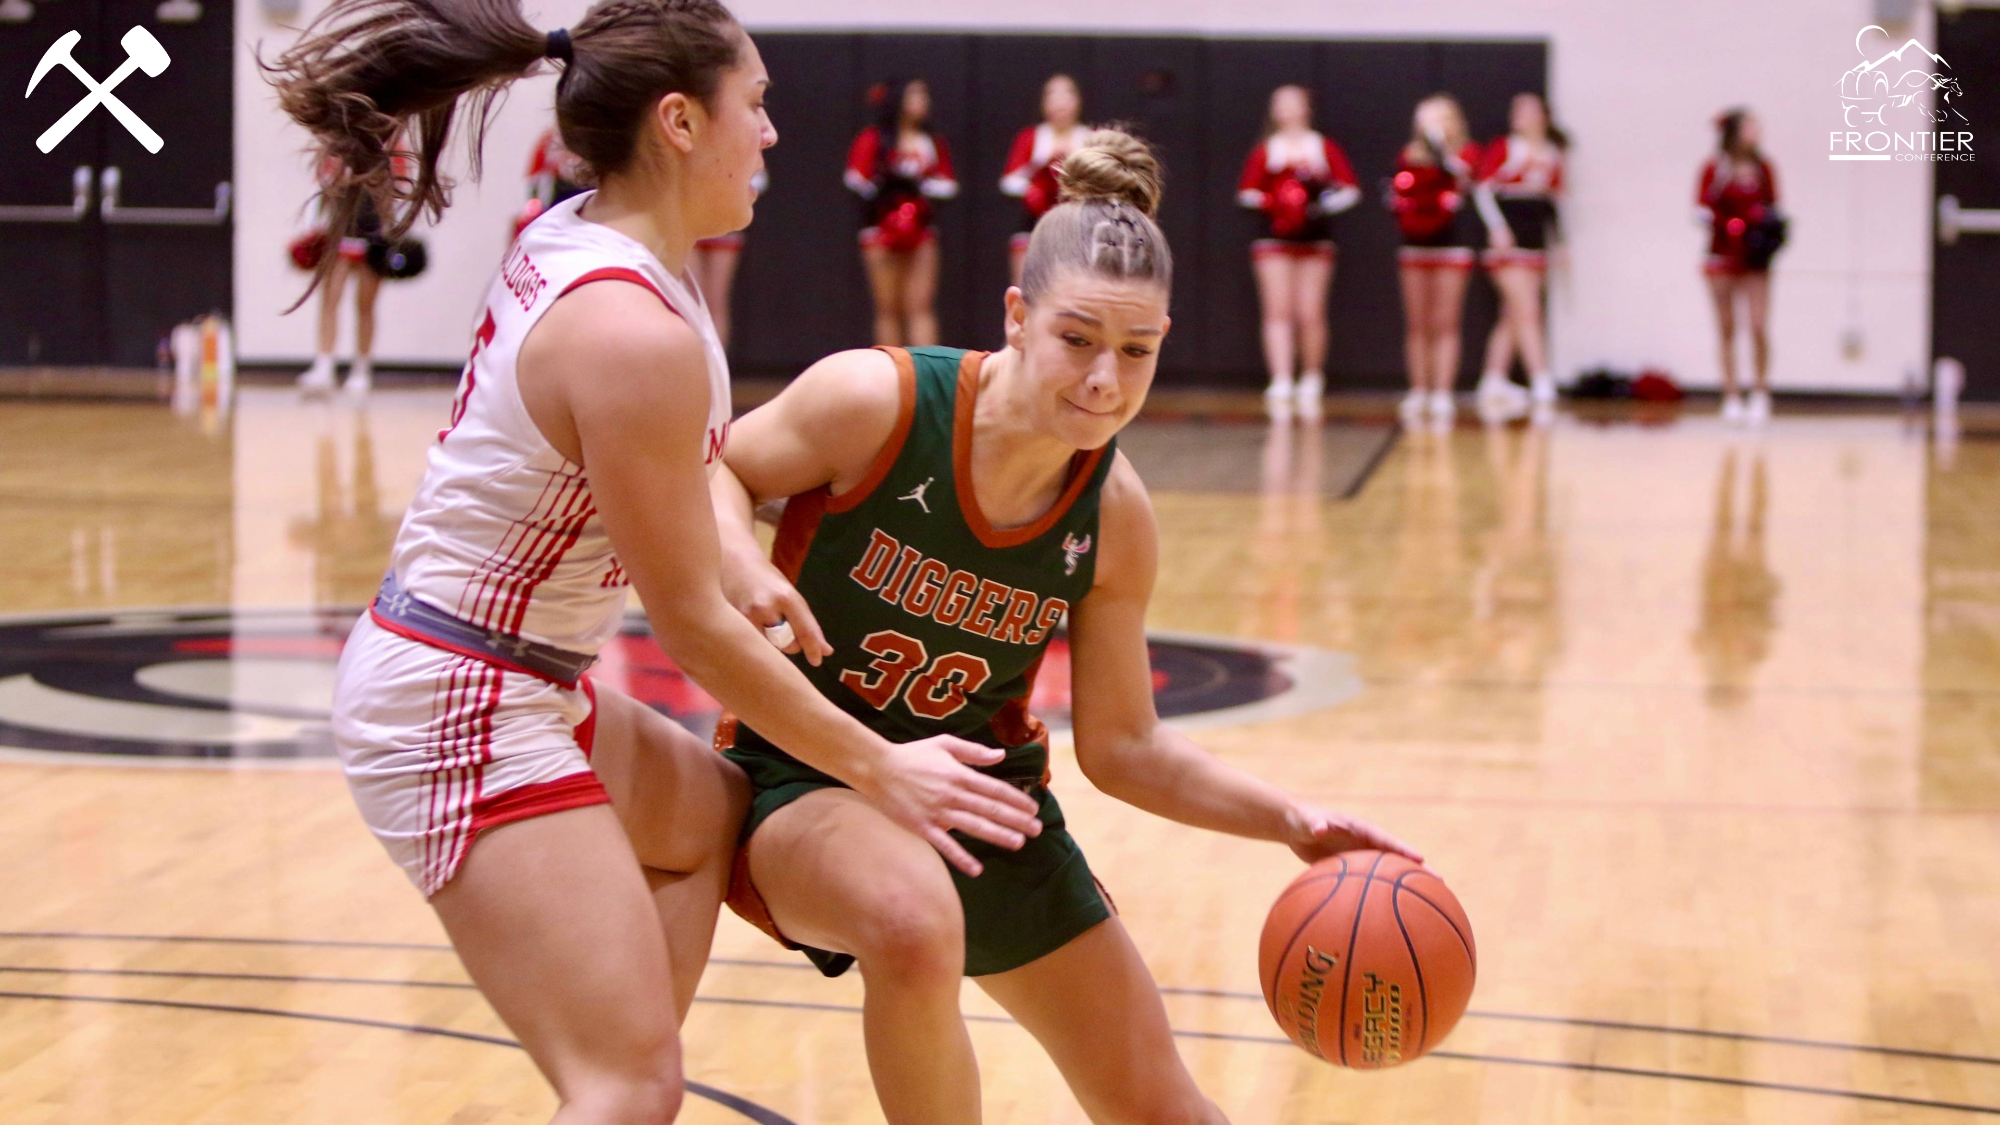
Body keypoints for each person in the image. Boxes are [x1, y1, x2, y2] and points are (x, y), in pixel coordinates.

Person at [266, 3, 1041, 1121]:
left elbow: (675, 485)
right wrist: (881, 765)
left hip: (503, 671)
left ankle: (616, 1079)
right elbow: (687, 631)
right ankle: (618, 1086)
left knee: (703, 824)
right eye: (757, 104)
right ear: (679, 122)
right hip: (458, 700)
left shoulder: (593, 237)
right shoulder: (630, 332)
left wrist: (737, 554)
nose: (772, 133)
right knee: (630, 1085)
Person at [710, 129, 1419, 1125]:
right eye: (1077, 339)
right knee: (911, 926)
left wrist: (1288, 822)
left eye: (1135, 352)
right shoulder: (876, 400)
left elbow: (1126, 746)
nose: (1102, 381)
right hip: (802, 772)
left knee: (1161, 1107)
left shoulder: (1114, 516)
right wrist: (739, 556)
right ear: (1016, 314)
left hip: (981, 807)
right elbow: (720, 466)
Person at [1237, 84, 1360, 421]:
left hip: (1315, 240)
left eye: (1294, 103)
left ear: (1307, 107)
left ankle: (1312, 376)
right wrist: (1274, 203)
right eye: (1280, 103)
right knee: (1278, 310)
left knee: (1310, 311)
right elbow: (1246, 192)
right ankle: (1280, 378)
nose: (1287, 109)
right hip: (1273, 240)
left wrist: (1318, 208)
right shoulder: (1267, 149)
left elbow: (1350, 189)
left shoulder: (1322, 146)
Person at [1472, 92, 1568, 422]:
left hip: (1535, 244)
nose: (1520, 115)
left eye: (1528, 110)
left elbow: (1554, 203)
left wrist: (1560, 244)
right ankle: (1542, 379)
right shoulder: (1504, 147)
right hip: (1507, 244)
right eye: (1516, 110)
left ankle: (1493, 380)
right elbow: (1482, 190)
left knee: (1512, 316)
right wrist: (1497, 227)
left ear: (1544, 115)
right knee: (1527, 310)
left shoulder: (1554, 153)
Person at [1390, 93, 1483, 427]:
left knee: (1446, 320)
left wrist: (1443, 152)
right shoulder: (1409, 154)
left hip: (1452, 245)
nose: (1430, 125)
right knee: (1418, 322)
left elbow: (1467, 180)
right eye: (1424, 118)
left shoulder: (1467, 153)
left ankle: (1443, 392)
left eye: (1438, 118)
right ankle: (1419, 389)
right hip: (1415, 244)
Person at [846, 78, 959, 346]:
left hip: (920, 231)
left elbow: (948, 184)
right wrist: (887, 186)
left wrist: (920, 189)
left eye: (925, 95)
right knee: (887, 309)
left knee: (920, 308)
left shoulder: (932, 141)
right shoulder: (873, 139)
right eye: (915, 94)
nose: (923, 101)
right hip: (880, 231)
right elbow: (855, 180)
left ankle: (927, 377)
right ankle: (890, 377)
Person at [297, 143, 404, 397]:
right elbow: (319, 188)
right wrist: (310, 229)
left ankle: (361, 368)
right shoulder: (335, 143)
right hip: (339, 231)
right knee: (329, 298)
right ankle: (324, 363)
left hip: (373, 233)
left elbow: (401, 191)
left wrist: (395, 232)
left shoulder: (392, 146)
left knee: (365, 304)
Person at [1698, 107, 1778, 425]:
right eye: (1749, 128)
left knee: (1758, 325)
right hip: (1721, 256)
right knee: (1727, 327)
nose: (1755, 134)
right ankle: (1731, 394)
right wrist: (1731, 224)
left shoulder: (1763, 168)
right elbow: (1701, 207)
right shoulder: (1715, 168)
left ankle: (1760, 391)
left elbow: (1774, 207)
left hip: (1755, 258)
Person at [999, 73, 1085, 285]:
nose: (1060, 102)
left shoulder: (1088, 137)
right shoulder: (1031, 137)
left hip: (1076, 229)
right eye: (1053, 95)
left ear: (1078, 101)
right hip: (1033, 225)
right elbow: (1009, 181)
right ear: (1044, 103)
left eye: (1067, 94)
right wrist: (1041, 169)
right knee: (1026, 292)